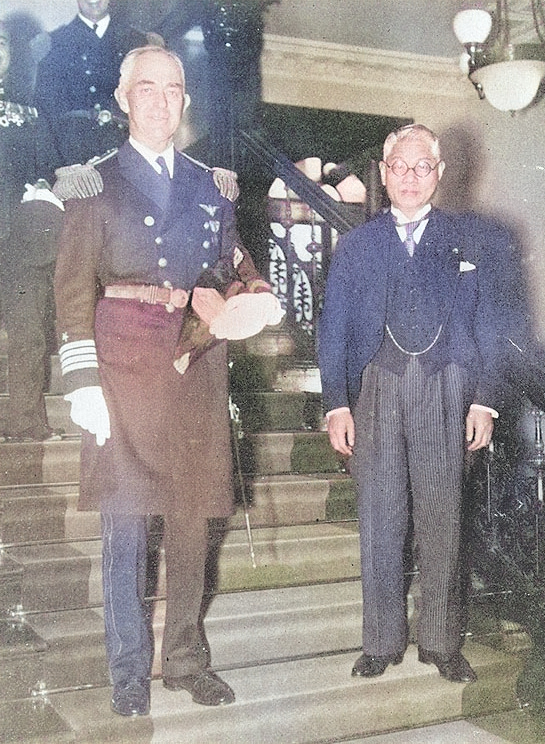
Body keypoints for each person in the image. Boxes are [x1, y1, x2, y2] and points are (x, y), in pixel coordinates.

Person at [54, 45, 282, 717]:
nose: (161, 100)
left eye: (173, 89)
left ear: (186, 100)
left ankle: (184, 659)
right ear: (123, 99)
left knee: (191, 523)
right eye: (146, 88)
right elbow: (71, 293)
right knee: (125, 528)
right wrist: (82, 382)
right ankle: (127, 673)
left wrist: (248, 301)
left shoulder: (213, 187)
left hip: (195, 362)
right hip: (121, 368)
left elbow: (233, 264)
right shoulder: (90, 183)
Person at [318, 124, 530, 684]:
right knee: (380, 518)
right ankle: (381, 640)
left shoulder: (470, 240)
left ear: (438, 174)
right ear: (384, 175)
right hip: (377, 388)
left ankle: (440, 640)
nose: (410, 177)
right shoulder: (358, 245)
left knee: (443, 519)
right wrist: (336, 403)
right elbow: (333, 326)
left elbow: (490, 322)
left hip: (448, 387)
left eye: (422, 167)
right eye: (399, 167)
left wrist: (485, 401)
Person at [0, 21, 65, 442]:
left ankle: (25, 423)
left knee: (28, 332)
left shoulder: (29, 114)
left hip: (19, 238)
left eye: (1, 45)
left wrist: (42, 186)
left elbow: (48, 169)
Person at [32, 0, 150, 176]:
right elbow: (47, 112)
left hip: (128, 148)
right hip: (75, 154)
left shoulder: (136, 41)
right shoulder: (55, 42)